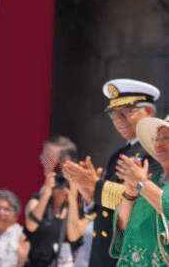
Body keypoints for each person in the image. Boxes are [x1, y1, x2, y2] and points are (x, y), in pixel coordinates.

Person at [62, 78, 162, 267]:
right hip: (104, 255)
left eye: (126, 112)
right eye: (114, 114)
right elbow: (106, 211)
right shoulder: (118, 155)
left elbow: (145, 202)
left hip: (133, 255)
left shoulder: (157, 151)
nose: (118, 120)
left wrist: (95, 185)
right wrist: (88, 193)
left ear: (148, 111)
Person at [112, 116, 169, 265]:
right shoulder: (153, 180)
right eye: (157, 138)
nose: (159, 143)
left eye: (167, 137)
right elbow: (122, 227)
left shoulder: (146, 183)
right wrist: (130, 194)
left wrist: (141, 183)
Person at [24, 136, 85, 267]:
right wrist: (47, 192)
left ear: (65, 162)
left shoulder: (80, 202)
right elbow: (31, 226)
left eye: (48, 157)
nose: (42, 160)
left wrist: (72, 196)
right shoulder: (38, 198)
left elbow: (75, 236)